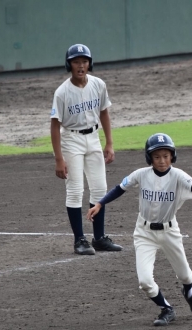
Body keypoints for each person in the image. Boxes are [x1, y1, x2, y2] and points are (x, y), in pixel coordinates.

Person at [87, 133, 192, 326]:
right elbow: (119, 188)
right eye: (157, 157)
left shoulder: (178, 175)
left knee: (185, 275)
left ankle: (190, 293)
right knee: (145, 282)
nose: (162, 161)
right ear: (149, 158)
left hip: (169, 231)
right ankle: (166, 308)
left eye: (166, 156)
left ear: (172, 156)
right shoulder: (141, 174)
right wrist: (100, 203)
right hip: (144, 233)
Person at [50, 43, 122, 255]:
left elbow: (104, 113)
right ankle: (79, 240)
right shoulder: (62, 92)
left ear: (90, 63)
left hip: (93, 138)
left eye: (84, 61)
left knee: (100, 188)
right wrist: (59, 158)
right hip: (71, 140)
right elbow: (54, 126)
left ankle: (99, 238)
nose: (81, 66)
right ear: (69, 65)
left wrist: (109, 143)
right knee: (75, 190)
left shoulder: (98, 84)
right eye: (76, 62)